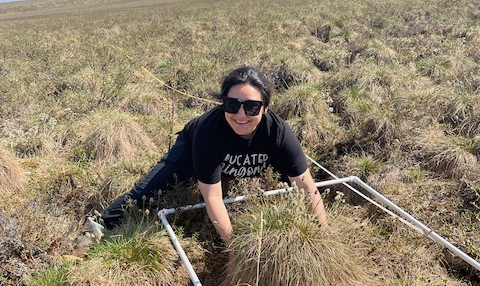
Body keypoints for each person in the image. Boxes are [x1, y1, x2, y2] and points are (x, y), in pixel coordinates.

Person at [85, 66, 328, 248]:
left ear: (265, 108)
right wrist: (234, 248)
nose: (241, 114)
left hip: (248, 159)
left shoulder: (278, 132)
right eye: (232, 105)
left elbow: (307, 187)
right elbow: (212, 197)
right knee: (149, 190)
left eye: (252, 107)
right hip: (193, 148)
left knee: (295, 191)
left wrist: (323, 235)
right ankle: (97, 228)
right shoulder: (208, 132)